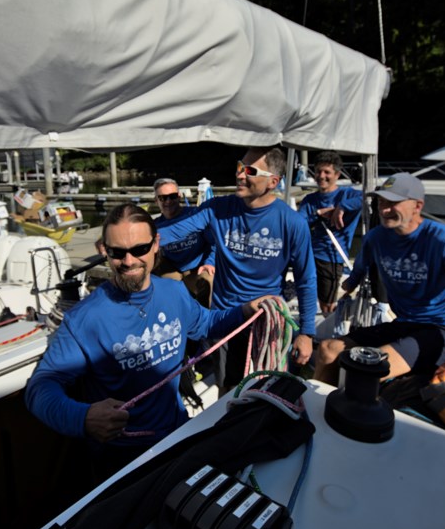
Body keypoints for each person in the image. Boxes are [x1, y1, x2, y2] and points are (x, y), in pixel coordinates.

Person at [24, 203, 276, 481]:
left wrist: (245, 310)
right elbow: (40, 387)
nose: (129, 261)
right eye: (117, 252)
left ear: (156, 244)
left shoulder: (175, 291)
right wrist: (83, 418)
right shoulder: (84, 319)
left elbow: (205, 324)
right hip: (122, 454)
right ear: (103, 250)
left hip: (177, 434)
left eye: (139, 249)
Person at [312, 172, 445, 385]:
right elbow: (361, 266)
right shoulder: (376, 238)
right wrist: (345, 289)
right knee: (328, 350)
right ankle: (311, 412)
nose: (385, 209)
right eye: (381, 202)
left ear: (417, 206)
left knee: (368, 367)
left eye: (393, 203)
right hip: (405, 323)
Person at [156, 147, 319, 392]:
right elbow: (177, 229)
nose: (240, 175)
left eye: (250, 171)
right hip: (225, 317)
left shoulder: (293, 223)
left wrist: (307, 333)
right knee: (228, 388)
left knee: (270, 386)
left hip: (266, 318)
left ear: (273, 181)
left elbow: (306, 279)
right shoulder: (217, 209)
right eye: (239, 167)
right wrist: (133, 240)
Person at [296, 151, 363, 314]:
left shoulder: (348, 194)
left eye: (327, 172)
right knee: (309, 298)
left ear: (337, 174)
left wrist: (341, 208)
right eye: (318, 171)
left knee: (328, 304)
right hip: (310, 256)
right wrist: (318, 214)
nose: (321, 176)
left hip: (332, 258)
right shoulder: (310, 200)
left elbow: (367, 198)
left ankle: (328, 331)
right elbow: (298, 223)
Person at [151, 177, 214, 308]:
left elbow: (214, 242)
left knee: (208, 281)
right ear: (156, 200)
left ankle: (207, 321)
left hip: (198, 266)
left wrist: (210, 262)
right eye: (163, 198)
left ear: (179, 196)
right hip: (173, 269)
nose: (168, 201)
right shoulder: (154, 226)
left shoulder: (195, 215)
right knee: (167, 292)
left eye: (172, 196)